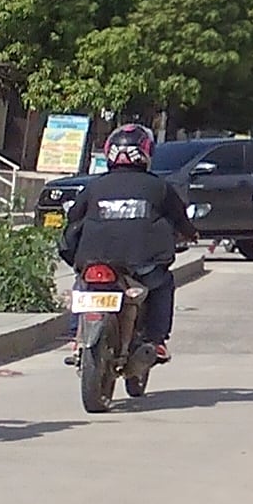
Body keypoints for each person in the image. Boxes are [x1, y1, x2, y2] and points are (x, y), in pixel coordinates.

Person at [59, 121, 189, 360]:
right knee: (163, 284)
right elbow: (180, 218)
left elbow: (73, 218)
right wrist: (190, 234)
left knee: (82, 285)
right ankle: (156, 339)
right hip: (142, 265)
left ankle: (76, 341)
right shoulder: (159, 187)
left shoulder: (93, 186)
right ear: (146, 153)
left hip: (93, 261)